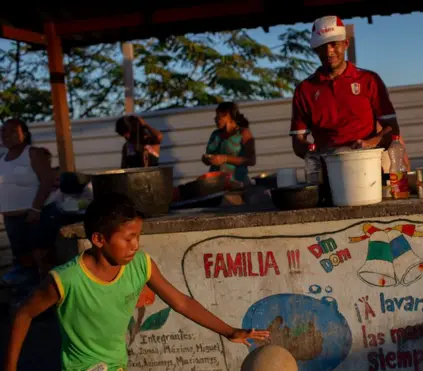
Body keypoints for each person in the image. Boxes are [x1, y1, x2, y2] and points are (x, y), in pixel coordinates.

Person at [4, 193, 269, 371]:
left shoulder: (141, 265)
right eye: (128, 238)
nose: (135, 245)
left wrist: (230, 331)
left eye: (138, 236)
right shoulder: (65, 279)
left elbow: (182, 302)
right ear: (99, 240)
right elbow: (24, 314)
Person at [290, 15, 402, 161]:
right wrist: (316, 152)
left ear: (346, 44)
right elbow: (298, 142)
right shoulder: (304, 90)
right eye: (322, 47)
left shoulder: (369, 80)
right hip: (326, 173)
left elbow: (392, 129)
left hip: (368, 166)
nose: (329, 51)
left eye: (334, 44)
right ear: (316, 50)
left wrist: (369, 144)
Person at [0, 119, 60, 284]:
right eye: (3, 131)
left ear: (24, 134)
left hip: (35, 216)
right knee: (24, 262)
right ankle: (30, 296)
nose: (6, 135)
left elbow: (47, 181)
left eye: (12, 131)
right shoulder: (2, 158)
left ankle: (51, 296)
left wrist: (36, 209)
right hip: (12, 219)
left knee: (43, 259)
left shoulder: (33, 153)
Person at [202, 102, 256, 184]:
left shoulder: (243, 133)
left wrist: (225, 158)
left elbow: (251, 160)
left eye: (219, 116)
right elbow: (209, 157)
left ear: (229, 116)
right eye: (216, 116)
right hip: (215, 183)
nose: (216, 119)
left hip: (237, 182)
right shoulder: (215, 134)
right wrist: (206, 159)